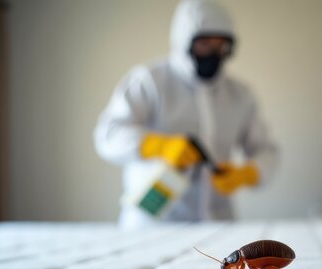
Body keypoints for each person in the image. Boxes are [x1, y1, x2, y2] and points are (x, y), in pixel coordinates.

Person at [94, 0, 278, 229]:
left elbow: (267, 151)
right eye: (204, 44)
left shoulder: (240, 94)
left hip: (219, 224)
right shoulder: (149, 80)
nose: (213, 53)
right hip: (153, 226)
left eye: (221, 45)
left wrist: (248, 173)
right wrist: (157, 145)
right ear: (184, 41)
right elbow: (108, 135)